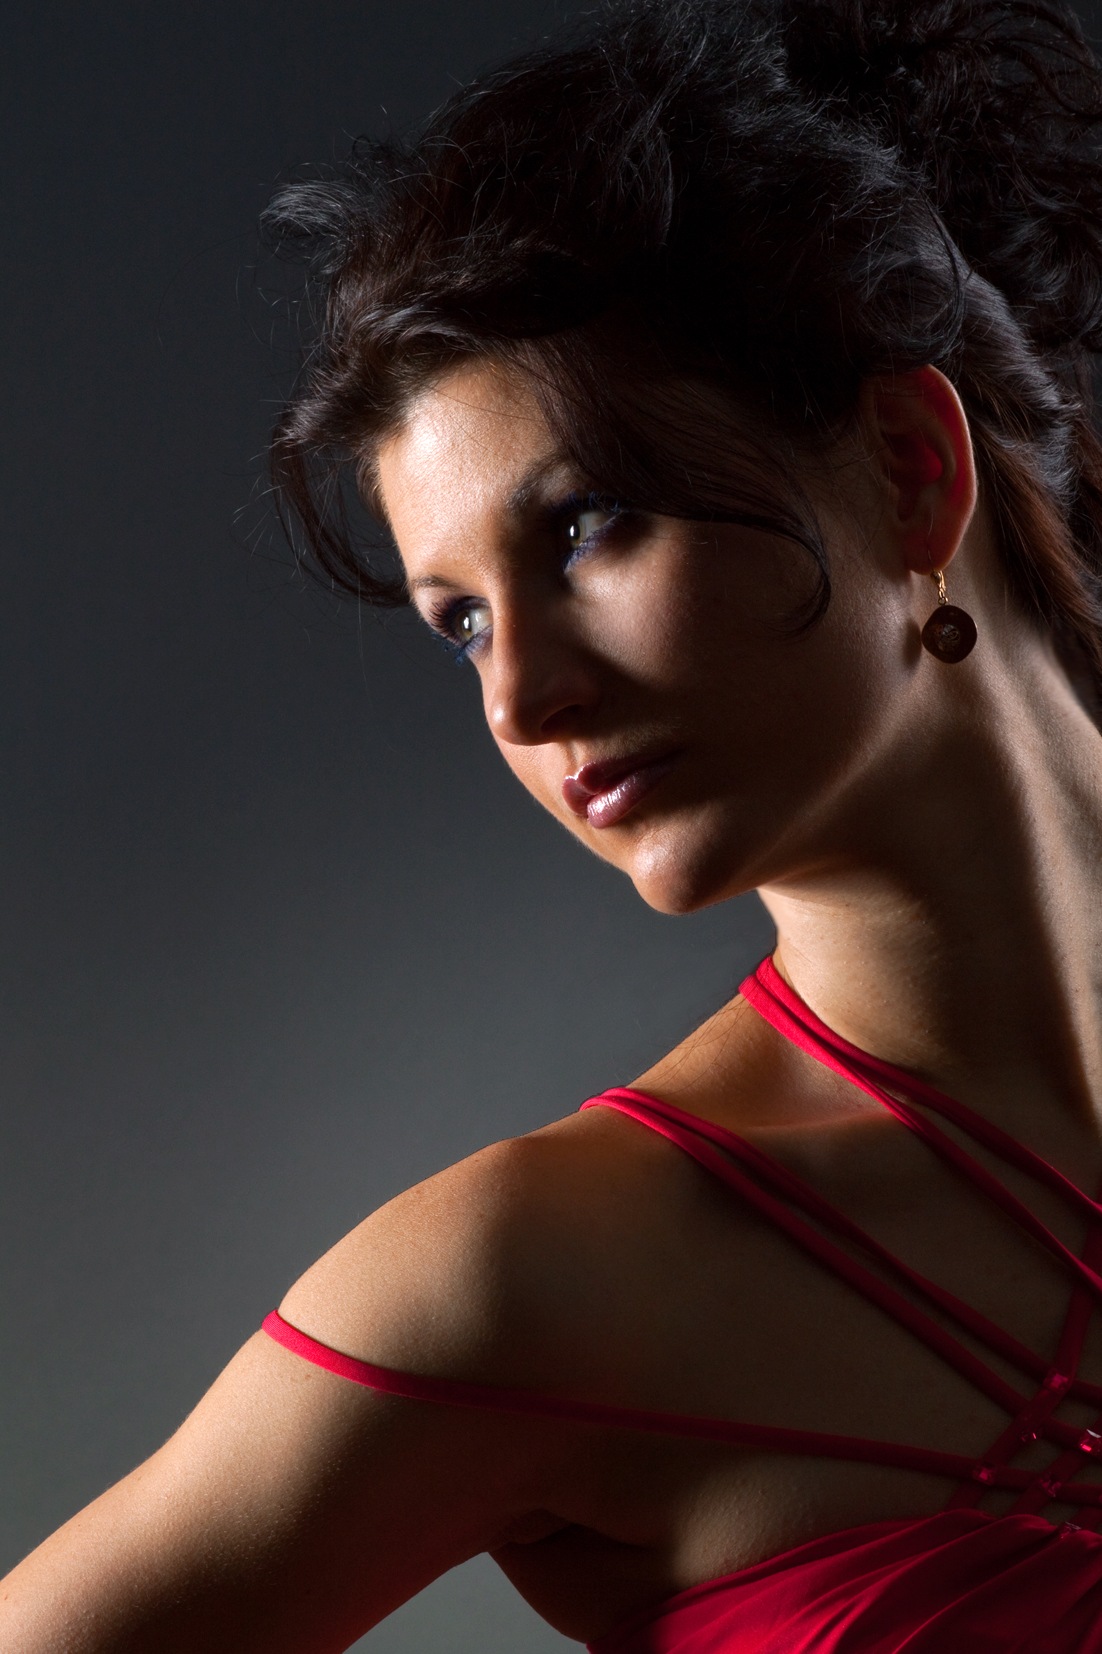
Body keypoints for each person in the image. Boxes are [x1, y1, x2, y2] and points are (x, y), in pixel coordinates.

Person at [6, 0, 1102, 1647]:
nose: (518, 697)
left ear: (904, 466)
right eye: (459, 623)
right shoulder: (546, 1279)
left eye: (581, 529)